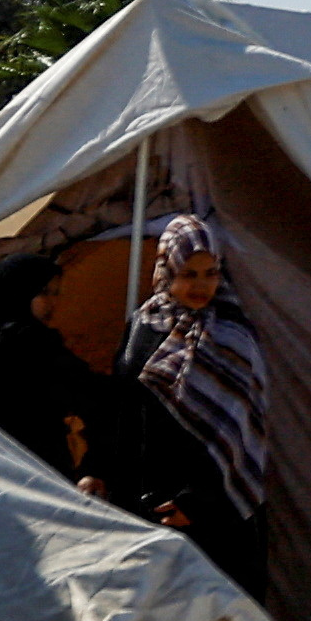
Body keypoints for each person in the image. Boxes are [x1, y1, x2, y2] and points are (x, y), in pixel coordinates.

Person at [119, 213, 271, 590]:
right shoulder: (144, 326)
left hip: (214, 507)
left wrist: (197, 502)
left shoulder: (232, 334)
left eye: (210, 273)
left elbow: (241, 430)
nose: (202, 286)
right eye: (189, 274)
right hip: (149, 495)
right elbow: (124, 409)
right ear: (167, 272)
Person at [0, 251, 114, 483]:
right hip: (30, 473)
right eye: (43, 293)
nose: (53, 303)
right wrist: (94, 468)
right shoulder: (29, 342)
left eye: (55, 294)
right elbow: (93, 398)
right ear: (19, 292)